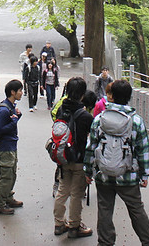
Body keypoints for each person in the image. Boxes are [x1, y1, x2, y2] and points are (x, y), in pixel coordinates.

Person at [84, 79, 149, 246]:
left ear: (111, 97)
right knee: (136, 209)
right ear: (129, 97)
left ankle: (105, 242)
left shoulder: (99, 119)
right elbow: (142, 150)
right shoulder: (136, 121)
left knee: (104, 209)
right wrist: (144, 174)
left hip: (103, 174)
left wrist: (88, 171)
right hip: (128, 175)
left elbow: (91, 147)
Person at [53, 77, 94, 238]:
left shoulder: (62, 109)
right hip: (79, 159)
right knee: (77, 194)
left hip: (63, 158)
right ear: (82, 94)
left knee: (62, 190)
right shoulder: (85, 116)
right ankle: (74, 226)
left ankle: (58, 223)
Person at [0, 79, 24, 215]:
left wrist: (17, 117)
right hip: (6, 147)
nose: (21, 93)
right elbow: (0, 129)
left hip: (12, 145)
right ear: (12, 92)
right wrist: (14, 121)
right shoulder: (4, 110)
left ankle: (8, 197)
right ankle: (0, 204)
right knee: (6, 176)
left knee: (12, 174)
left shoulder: (11, 106)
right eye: (19, 90)